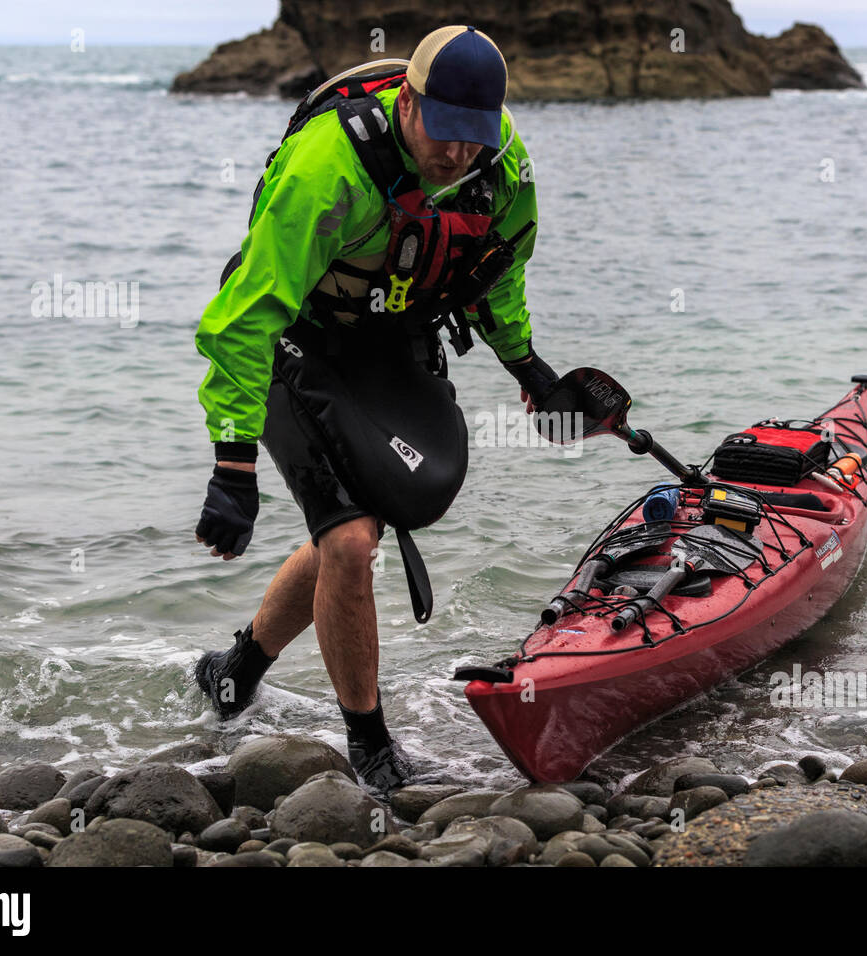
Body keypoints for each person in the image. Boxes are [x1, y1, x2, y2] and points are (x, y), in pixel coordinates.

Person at [190, 25, 560, 794]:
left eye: (474, 137)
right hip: (301, 334)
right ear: (409, 100)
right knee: (353, 540)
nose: (456, 155)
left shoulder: (502, 166)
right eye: (444, 133)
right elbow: (243, 317)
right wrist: (232, 463)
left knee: (353, 531)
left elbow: (497, 269)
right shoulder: (329, 168)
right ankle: (370, 747)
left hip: (391, 333)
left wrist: (527, 365)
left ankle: (236, 669)